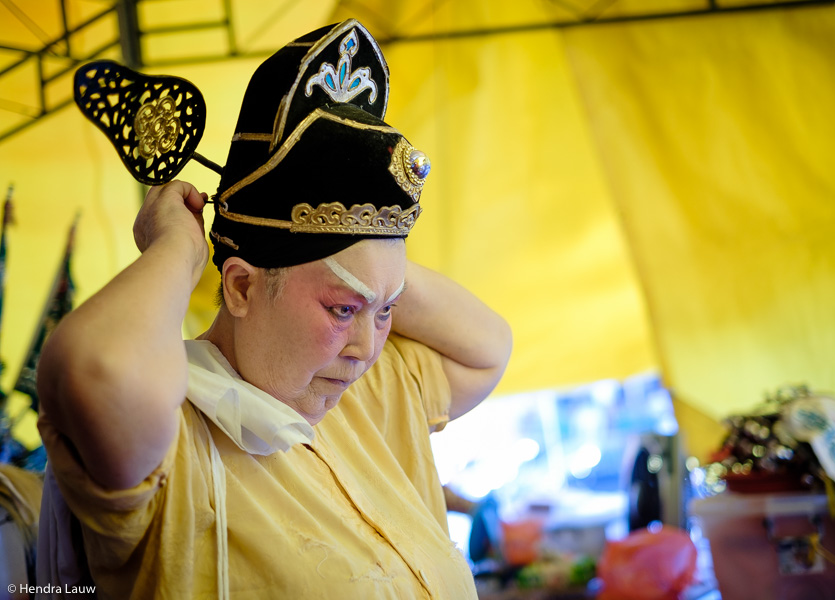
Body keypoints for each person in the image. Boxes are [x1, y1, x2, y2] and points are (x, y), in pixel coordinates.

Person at [35, 19, 512, 599]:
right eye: (342, 310)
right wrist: (180, 248)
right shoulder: (174, 440)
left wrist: (368, 274)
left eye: (387, 310)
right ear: (239, 289)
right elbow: (95, 372)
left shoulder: (364, 394)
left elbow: (488, 348)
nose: (367, 347)